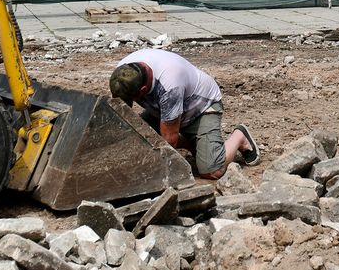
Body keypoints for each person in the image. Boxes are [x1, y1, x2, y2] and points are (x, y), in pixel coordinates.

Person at [109, 48, 259, 178]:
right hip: (162, 110)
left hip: (200, 108)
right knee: (135, 138)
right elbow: (122, 111)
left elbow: (169, 140)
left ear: (143, 90)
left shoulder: (170, 85)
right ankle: (192, 143)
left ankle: (239, 137)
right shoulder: (122, 73)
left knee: (212, 170)